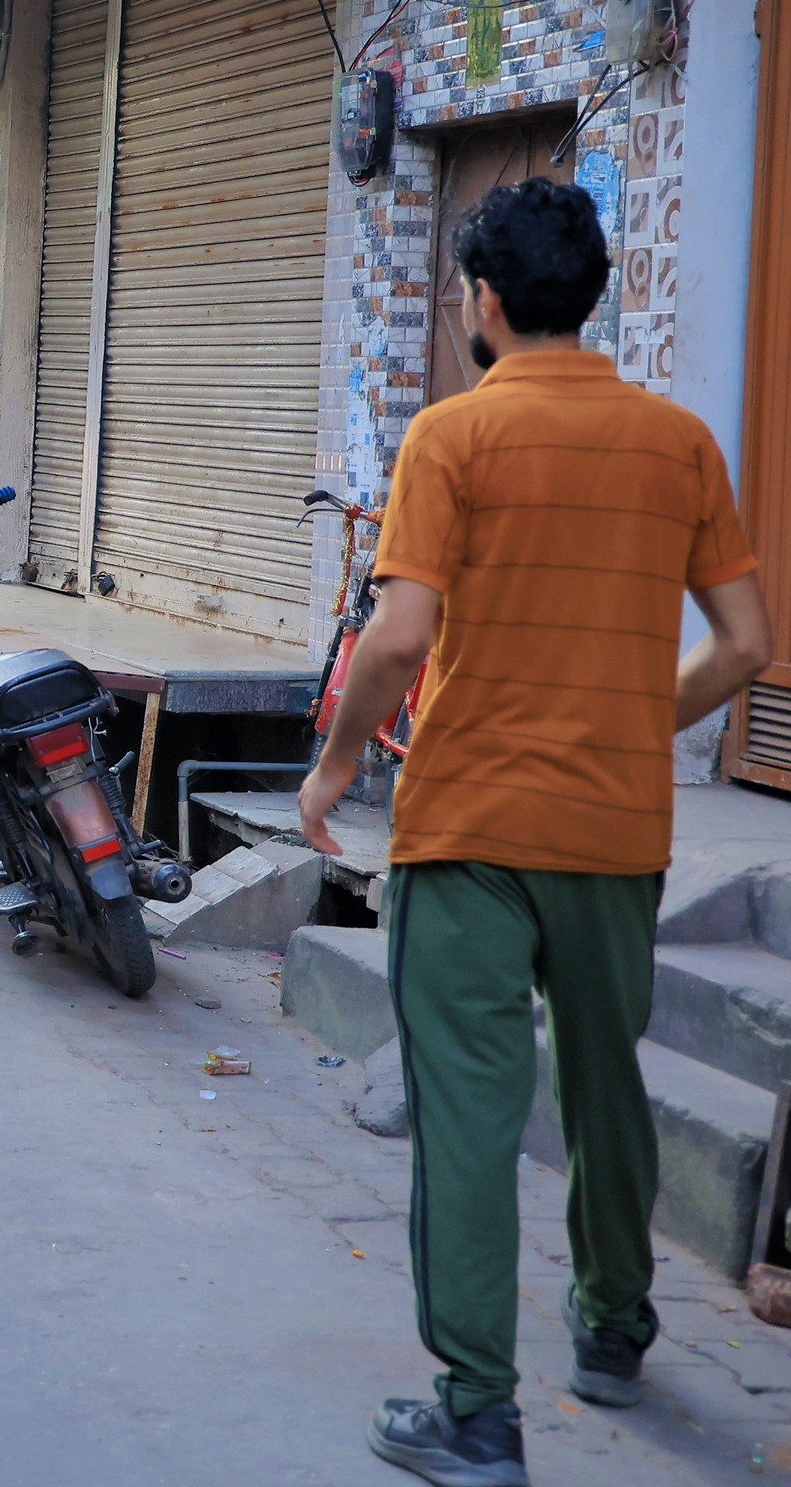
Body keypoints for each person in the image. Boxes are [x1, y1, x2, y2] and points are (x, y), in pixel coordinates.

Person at [297, 180, 771, 1487]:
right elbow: (748, 644)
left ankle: (476, 1413)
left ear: (488, 302)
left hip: (469, 826)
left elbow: (399, 634)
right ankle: (613, 1328)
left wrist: (335, 766)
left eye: (463, 290)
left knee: (468, 1107)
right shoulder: (680, 443)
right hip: (616, 829)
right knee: (606, 1079)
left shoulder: (452, 437)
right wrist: (630, 714)